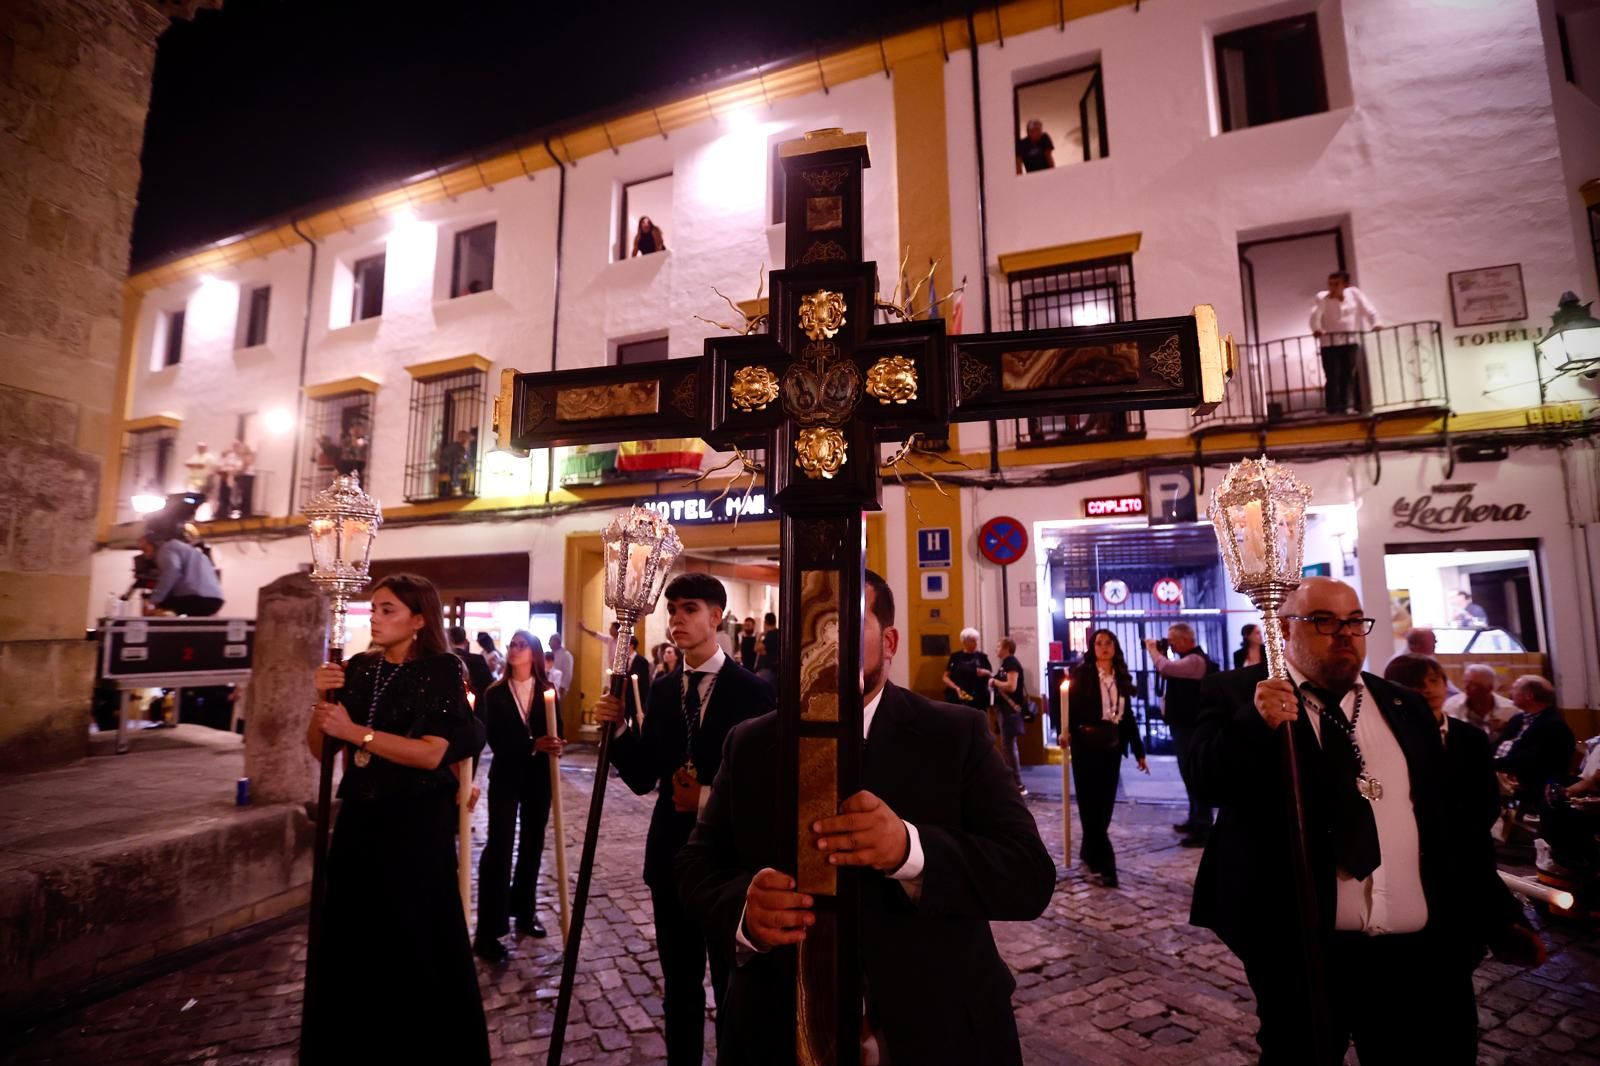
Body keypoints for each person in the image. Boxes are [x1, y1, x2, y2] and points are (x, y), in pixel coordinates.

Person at [676, 570, 1055, 1065]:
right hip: (776, 1030)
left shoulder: (954, 736)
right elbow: (695, 866)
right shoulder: (751, 744)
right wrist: (744, 909)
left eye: (844, 624)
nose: (824, 643)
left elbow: (1028, 876)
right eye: (810, 626)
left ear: (890, 640)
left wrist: (909, 850)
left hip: (938, 1029)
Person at [1186, 578, 1530, 1064]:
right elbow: (1205, 781)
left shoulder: (1403, 705)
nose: (1344, 634)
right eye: (1324, 621)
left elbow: (1448, 824)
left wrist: (1498, 914)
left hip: (1414, 949)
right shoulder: (1241, 693)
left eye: (1354, 621)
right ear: (1284, 628)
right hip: (1302, 948)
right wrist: (1254, 723)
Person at [304, 573, 489, 1064]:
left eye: (388, 609)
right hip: (361, 820)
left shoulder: (441, 669)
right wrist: (321, 701)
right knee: (352, 937)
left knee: (413, 936)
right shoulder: (359, 668)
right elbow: (323, 750)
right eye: (374, 608)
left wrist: (359, 733)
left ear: (418, 619)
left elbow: (430, 755)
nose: (376, 617)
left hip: (415, 826)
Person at [593, 572, 774, 1066]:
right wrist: (619, 732)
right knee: (680, 985)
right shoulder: (665, 688)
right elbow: (642, 775)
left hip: (727, 862)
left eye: (689, 609)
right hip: (671, 858)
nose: (676, 619)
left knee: (729, 981)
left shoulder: (753, 692)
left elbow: (765, 786)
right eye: (672, 610)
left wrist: (707, 798)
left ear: (717, 617)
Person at [474, 631, 565, 962]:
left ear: (535, 654)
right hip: (506, 777)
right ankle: (489, 930)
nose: (513, 649)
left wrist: (556, 743)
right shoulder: (495, 693)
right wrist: (531, 745)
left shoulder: (547, 691)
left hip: (538, 779)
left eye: (520, 645)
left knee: (532, 845)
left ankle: (524, 912)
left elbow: (558, 729)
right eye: (512, 645)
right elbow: (495, 740)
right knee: (499, 846)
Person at [1069, 629, 1150, 887]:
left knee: (1103, 804)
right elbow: (1068, 706)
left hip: (1111, 746)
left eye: (1108, 643)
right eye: (1099, 643)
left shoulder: (1121, 677)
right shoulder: (1082, 674)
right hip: (1085, 745)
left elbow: (1128, 718)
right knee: (1089, 803)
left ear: (1115, 647)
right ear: (1093, 648)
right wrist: (1066, 732)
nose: (1104, 647)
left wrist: (1139, 752)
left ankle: (1088, 851)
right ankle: (1106, 865)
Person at [1143, 623, 1217, 847]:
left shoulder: (1195, 660)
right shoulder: (1187, 659)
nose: (1171, 644)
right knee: (1189, 775)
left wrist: (1153, 650)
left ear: (1186, 639)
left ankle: (1203, 826)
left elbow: (1166, 668)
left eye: (1173, 639)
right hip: (1184, 726)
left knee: (1195, 774)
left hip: (1191, 727)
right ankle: (1195, 819)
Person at [1494, 674, 1576, 815]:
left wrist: (1491, 765)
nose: (1510, 693)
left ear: (1529, 695)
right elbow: (1498, 745)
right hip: (1500, 773)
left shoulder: (1553, 725)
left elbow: (1529, 760)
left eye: (1514, 688)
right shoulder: (1518, 718)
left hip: (1531, 784)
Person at [1308, 270, 1380, 415]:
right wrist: (1316, 329)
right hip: (1329, 343)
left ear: (1345, 284)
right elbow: (1314, 315)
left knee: (1347, 374)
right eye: (1330, 284)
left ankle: (1346, 407)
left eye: (1336, 284)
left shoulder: (1354, 294)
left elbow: (1369, 309)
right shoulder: (1322, 297)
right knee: (1332, 375)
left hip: (1350, 341)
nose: (1332, 287)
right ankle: (1332, 409)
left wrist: (1376, 323)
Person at [140, 532, 224, 616]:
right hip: (215, 600)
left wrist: (154, 600)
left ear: (153, 543)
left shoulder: (165, 549)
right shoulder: (190, 550)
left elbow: (171, 571)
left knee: (158, 607)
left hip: (195, 598)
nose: (144, 553)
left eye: (145, 548)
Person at [989, 636, 1030, 796]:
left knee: (1009, 745)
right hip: (1004, 710)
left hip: (1009, 710)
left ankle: (1017, 784)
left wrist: (994, 682)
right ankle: (1014, 782)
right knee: (1007, 745)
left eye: (999, 645)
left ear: (1007, 648)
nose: (996, 648)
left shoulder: (1011, 663)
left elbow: (1011, 686)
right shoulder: (1006, 664)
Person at [1443, 664, 1516, 740]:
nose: (1466, 687)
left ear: (1489, 688)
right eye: (1465, 682)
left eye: (1474, 685)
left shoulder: (1510, 710)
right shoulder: (1451, 706)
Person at [942, 627, 993, 710]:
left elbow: (991, 675)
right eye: (973, 641)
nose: (976, 643)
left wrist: (986, 672)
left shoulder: (982, 657)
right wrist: (956, 688)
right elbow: (945, 677)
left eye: (976, 640)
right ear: (964, 641)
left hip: (978, 697)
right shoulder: (955, 657)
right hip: (958, 696)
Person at [449, 626, 494, 704]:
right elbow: (488, 686)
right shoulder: (477, 660)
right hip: (475, 709)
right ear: (466, 641)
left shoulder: (443, 661)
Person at [549, 633, 574, 702]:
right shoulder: (551, 654)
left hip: (560, 688)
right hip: (550, 687)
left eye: (551, 641)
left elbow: (568, 673)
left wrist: (563, 686)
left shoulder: (566, 655)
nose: (549, 643)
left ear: (557, 642)